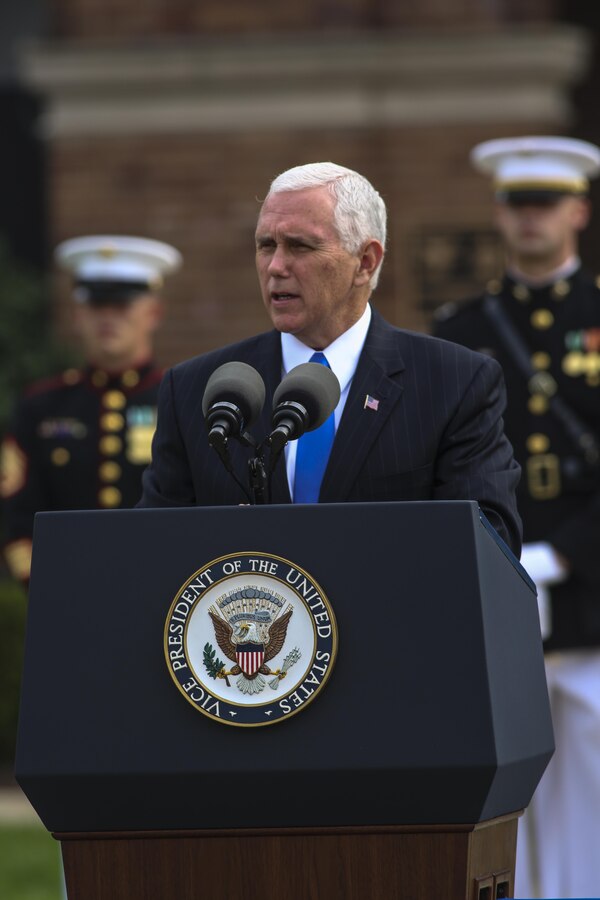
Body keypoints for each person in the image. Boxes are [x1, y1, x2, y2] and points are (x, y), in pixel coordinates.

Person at [138, 162, 521, 558]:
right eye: (266, 245)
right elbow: (152, 549)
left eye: (300, 246)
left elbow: (489, 543)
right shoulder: (195, 389)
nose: (276, 267)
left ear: (366, 261)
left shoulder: (454, 382)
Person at [432, 135, 600, 898]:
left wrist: (558, 556)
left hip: (592, 600)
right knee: (508, 801)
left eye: (545, 203)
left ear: (578, 210)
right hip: (500, 595)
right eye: (517, 203)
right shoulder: (462, 329)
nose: (530, 219)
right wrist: (499, 563)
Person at [0, 234, 182, 585]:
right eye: (97, 306)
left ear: (153, 312)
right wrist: (46, 586)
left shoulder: (179, 401)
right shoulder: (40, 407)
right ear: (77, 314)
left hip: (161, 590)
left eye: (122, 305)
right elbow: (19, 517)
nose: (108, 318)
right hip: (63, 590)